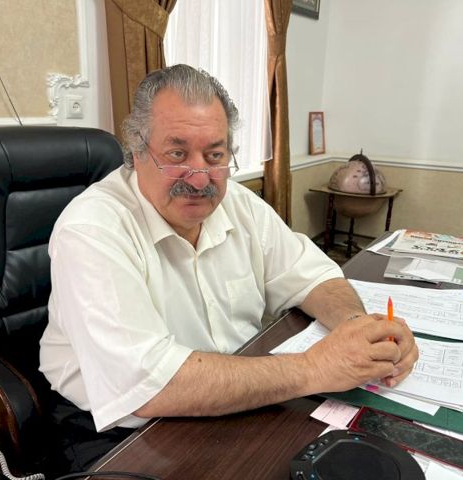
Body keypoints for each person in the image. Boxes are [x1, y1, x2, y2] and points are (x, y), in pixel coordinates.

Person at [39, 64, 418, 473]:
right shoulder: (92, 229)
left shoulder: (238, 203)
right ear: (136, 151)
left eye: (215, 155)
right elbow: (151, 385)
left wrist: (358, 330)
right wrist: (316, 367)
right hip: (123, 430)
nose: (199, 178)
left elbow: (314, 275)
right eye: (177, 154)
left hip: (240, 396)